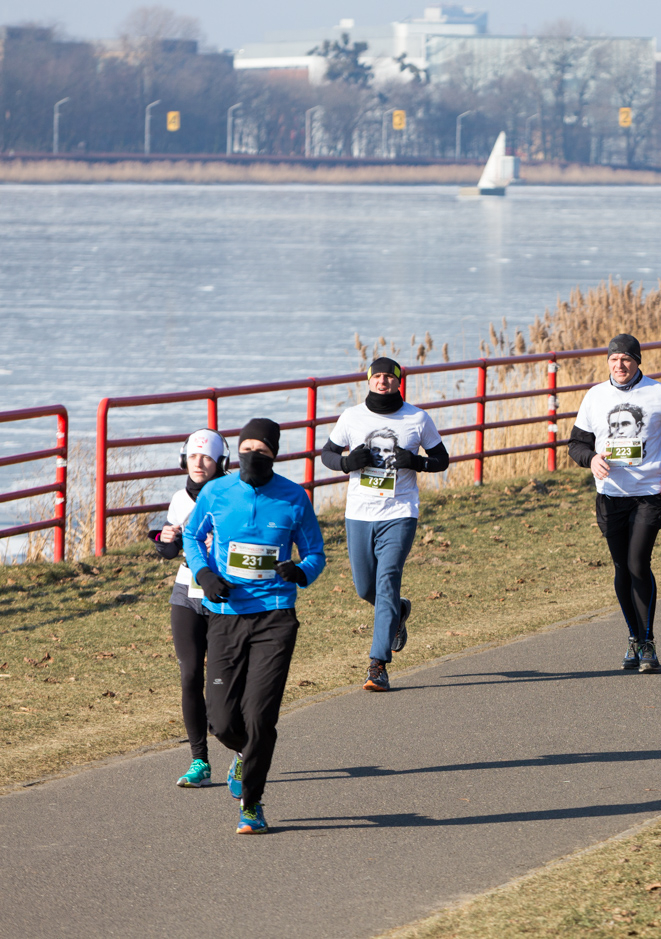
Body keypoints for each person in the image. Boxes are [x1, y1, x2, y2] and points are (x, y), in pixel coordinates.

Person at [184, 418, 326, 835]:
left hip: (275, 615)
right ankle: (244, 752)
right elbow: (192, 536)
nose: (252, 456)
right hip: (225, 614)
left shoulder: (293, 497)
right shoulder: (217, 491)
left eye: (261, 451)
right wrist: (204, 575)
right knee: (223, 720)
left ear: (273, 455)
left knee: (260, 715)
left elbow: (315, 553)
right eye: (245, 448)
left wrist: (298, 572)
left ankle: (252, 804)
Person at [567, 334, 661, 672]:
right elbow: (576, 444)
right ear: (608, 363)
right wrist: (591, 459)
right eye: (614, 360)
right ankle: (633, 638)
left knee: (638, 562)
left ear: (638, 361)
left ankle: (648, 642)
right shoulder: (595, 396)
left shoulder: (660, 394)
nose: (620, 365)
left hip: (650, 493)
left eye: (626, 359)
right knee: (621, 568)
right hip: (611, 495)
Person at [320, 357, 448, 693]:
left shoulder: (417, 419)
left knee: (388, 578)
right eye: (377, 376)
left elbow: (442, 458)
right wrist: (348, 462)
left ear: (398, 381)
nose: (382, 382)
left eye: (388, 377)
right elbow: (328, 454)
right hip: (359, 513)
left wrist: (416, 462)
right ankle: (398, 611)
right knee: (366, 588)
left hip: (400, 511)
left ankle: (377, 666)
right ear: (369, 380)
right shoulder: (352, 417)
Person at [148, 428, 228, 789]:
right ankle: (200, 761)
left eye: (207, 457)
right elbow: (168, 550)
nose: (199, 463)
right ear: (184, 460)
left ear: (219, 462)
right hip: (186, 591)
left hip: (225, 594)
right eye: (193, 457)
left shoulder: (233, 494)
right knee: (190, 674)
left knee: (223, 684)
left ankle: (242, 753)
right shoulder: (180, 498)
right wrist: (163, 539)